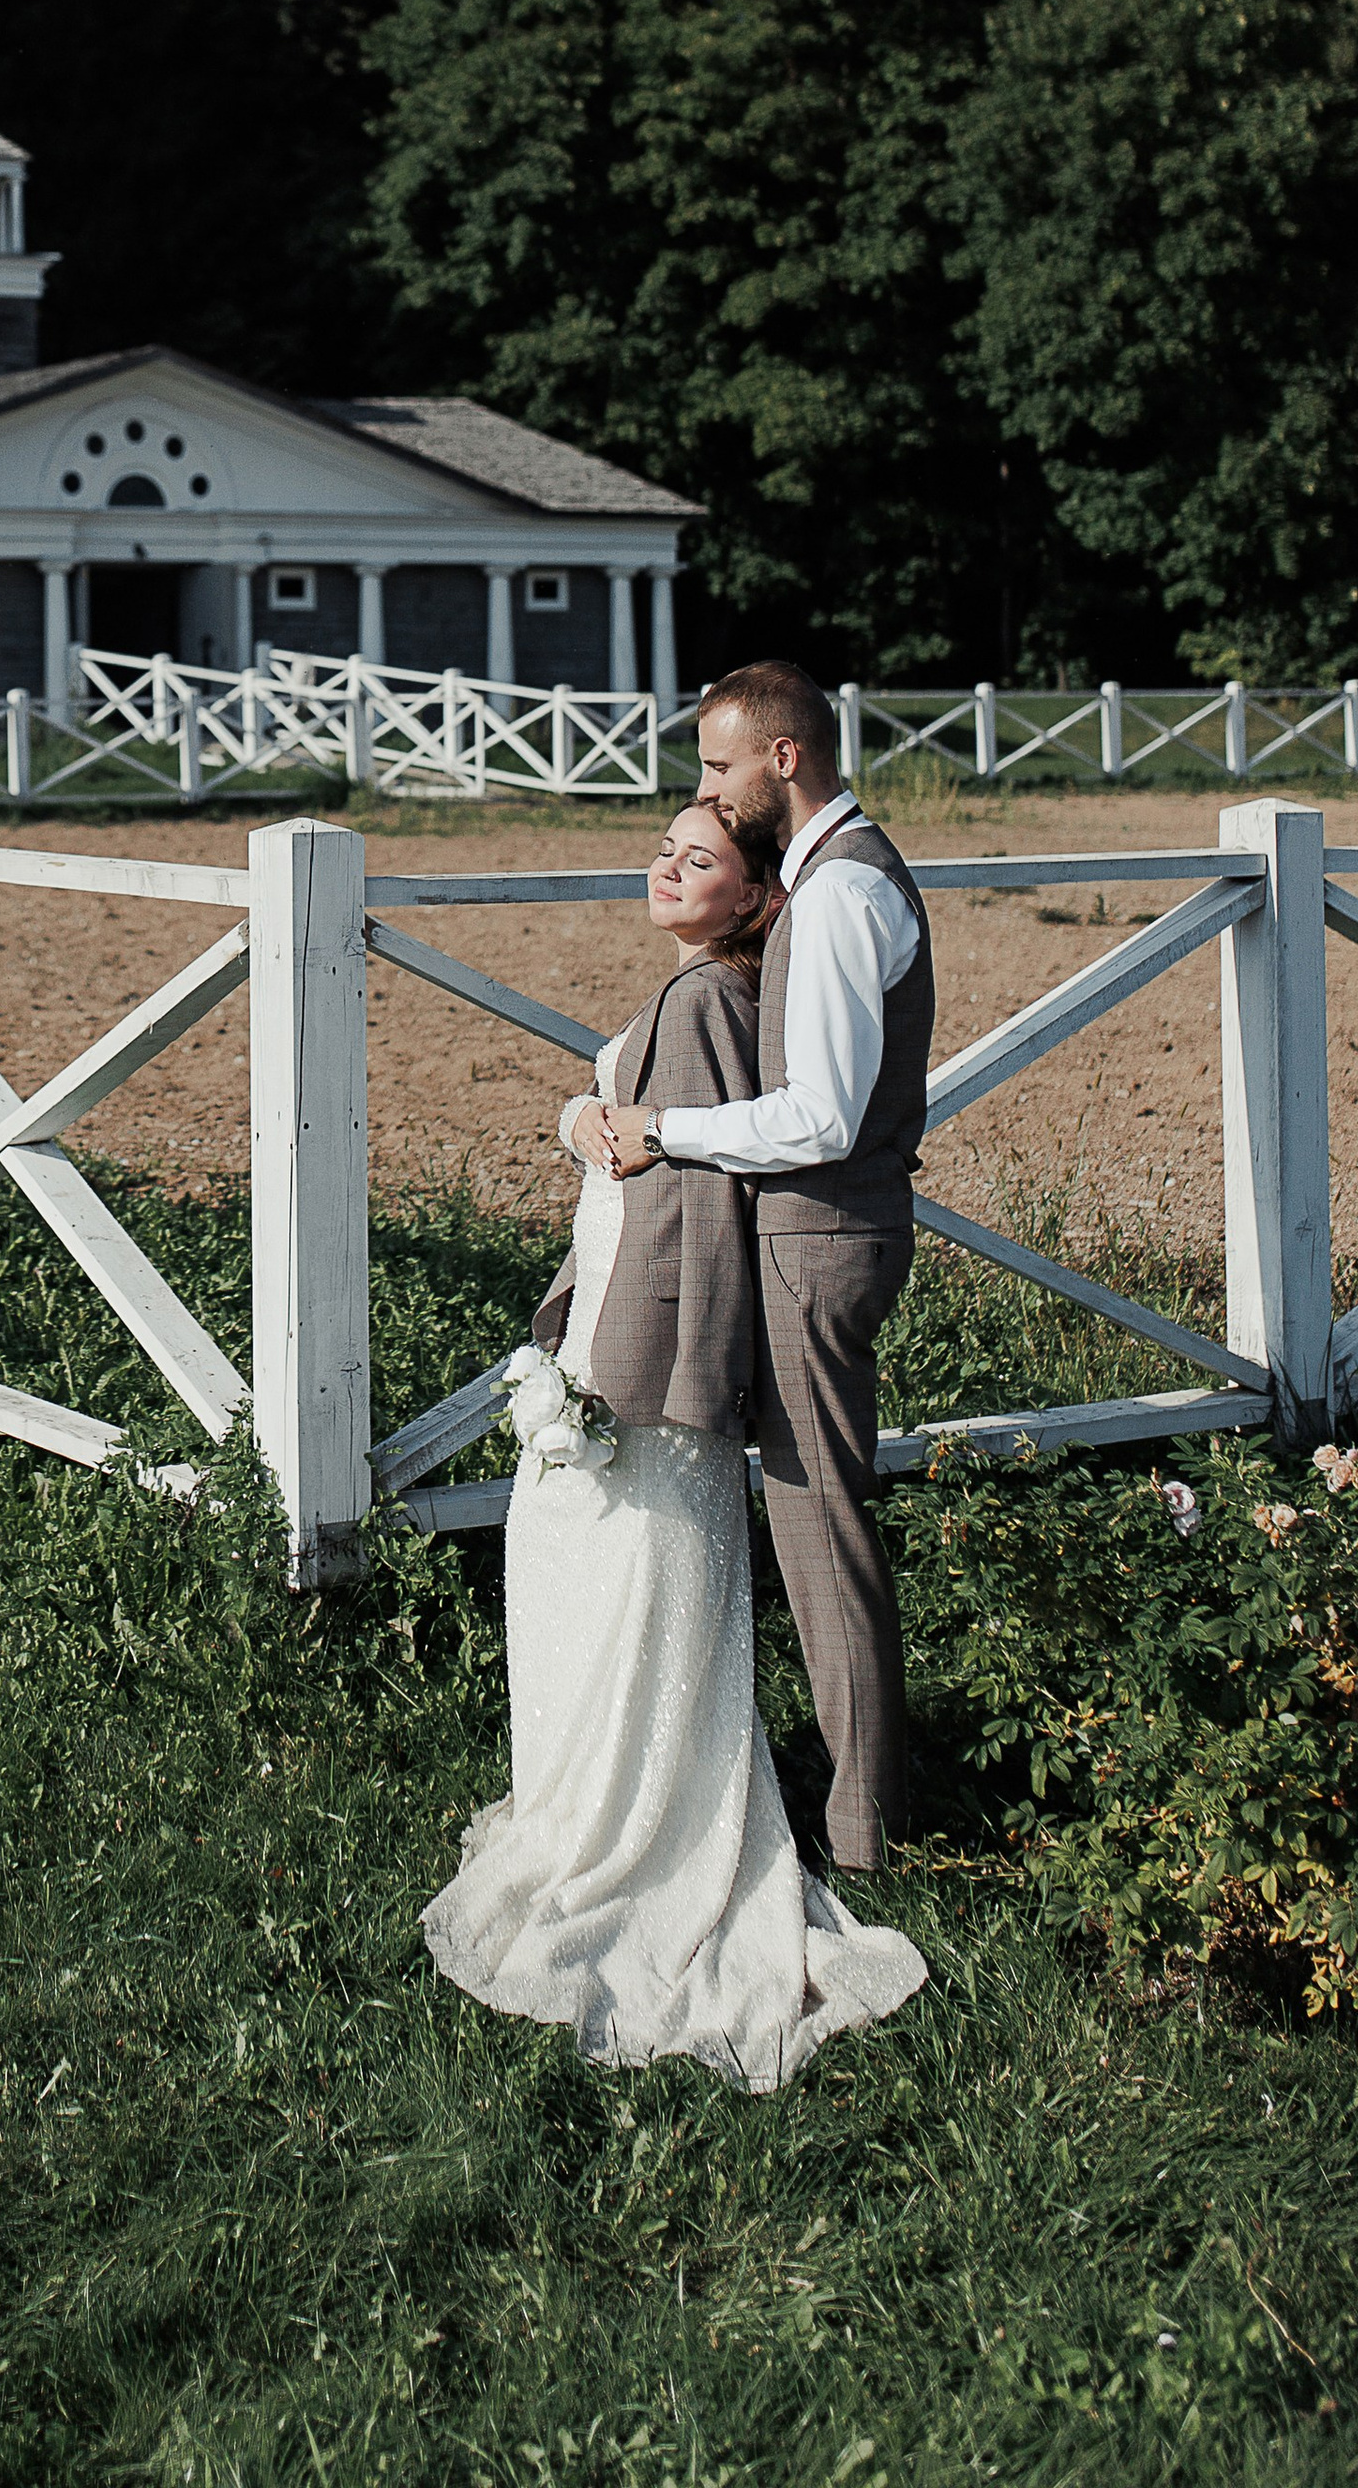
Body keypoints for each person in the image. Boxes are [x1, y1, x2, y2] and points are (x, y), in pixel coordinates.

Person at [422, 803, 925, 2090]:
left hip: (638, 1350)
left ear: (756, 896)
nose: (665, 865)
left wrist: (619, 1386)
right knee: (580, 1573)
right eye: (662, 845)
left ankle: (630, 1827)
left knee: (612, 1567)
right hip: (609, 1313)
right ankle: (592, 1798)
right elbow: (613, 1114)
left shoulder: (710, 1000)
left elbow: (691, 1209)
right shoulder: (700, 987)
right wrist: (577, 1117)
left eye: (699, 857)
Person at [588, 659, 934, 1875]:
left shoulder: (837, 896)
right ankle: (860, 1804)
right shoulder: (833, 878)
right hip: (822, 1233)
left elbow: (822, 1117)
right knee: (817, 1522)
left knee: (821, 1530)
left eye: (719, 764)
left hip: (820, 1235)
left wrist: (668, 1131)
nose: (708, 789)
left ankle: (865, 1832)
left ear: (783, 759)